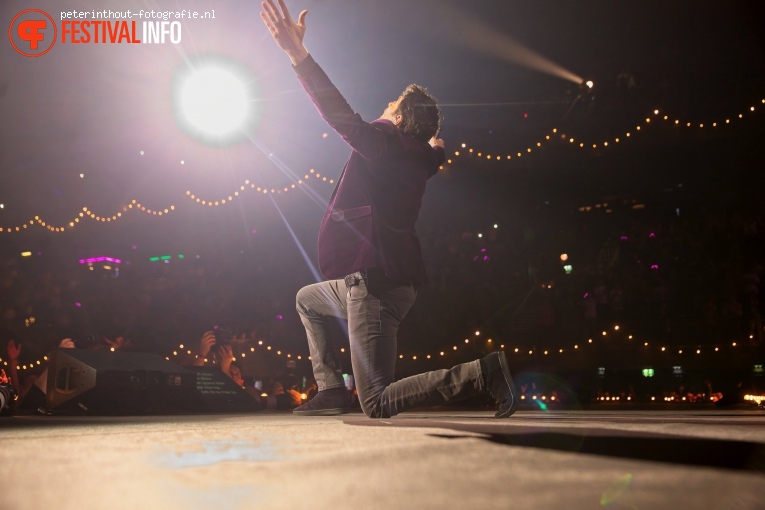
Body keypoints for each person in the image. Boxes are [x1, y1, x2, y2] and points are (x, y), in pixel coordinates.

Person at [260, 0, 518, 418]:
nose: (384, 107)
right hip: (382, 280)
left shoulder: (384, 143)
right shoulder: (417, 158)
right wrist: (435, 147)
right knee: (308, 299)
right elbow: (432, 154)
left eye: (391, 104)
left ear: (397, 118)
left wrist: (297, 55)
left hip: (374, 285)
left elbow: (339, 115)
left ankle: (481, 374)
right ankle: (329, 390)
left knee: (376, 401)